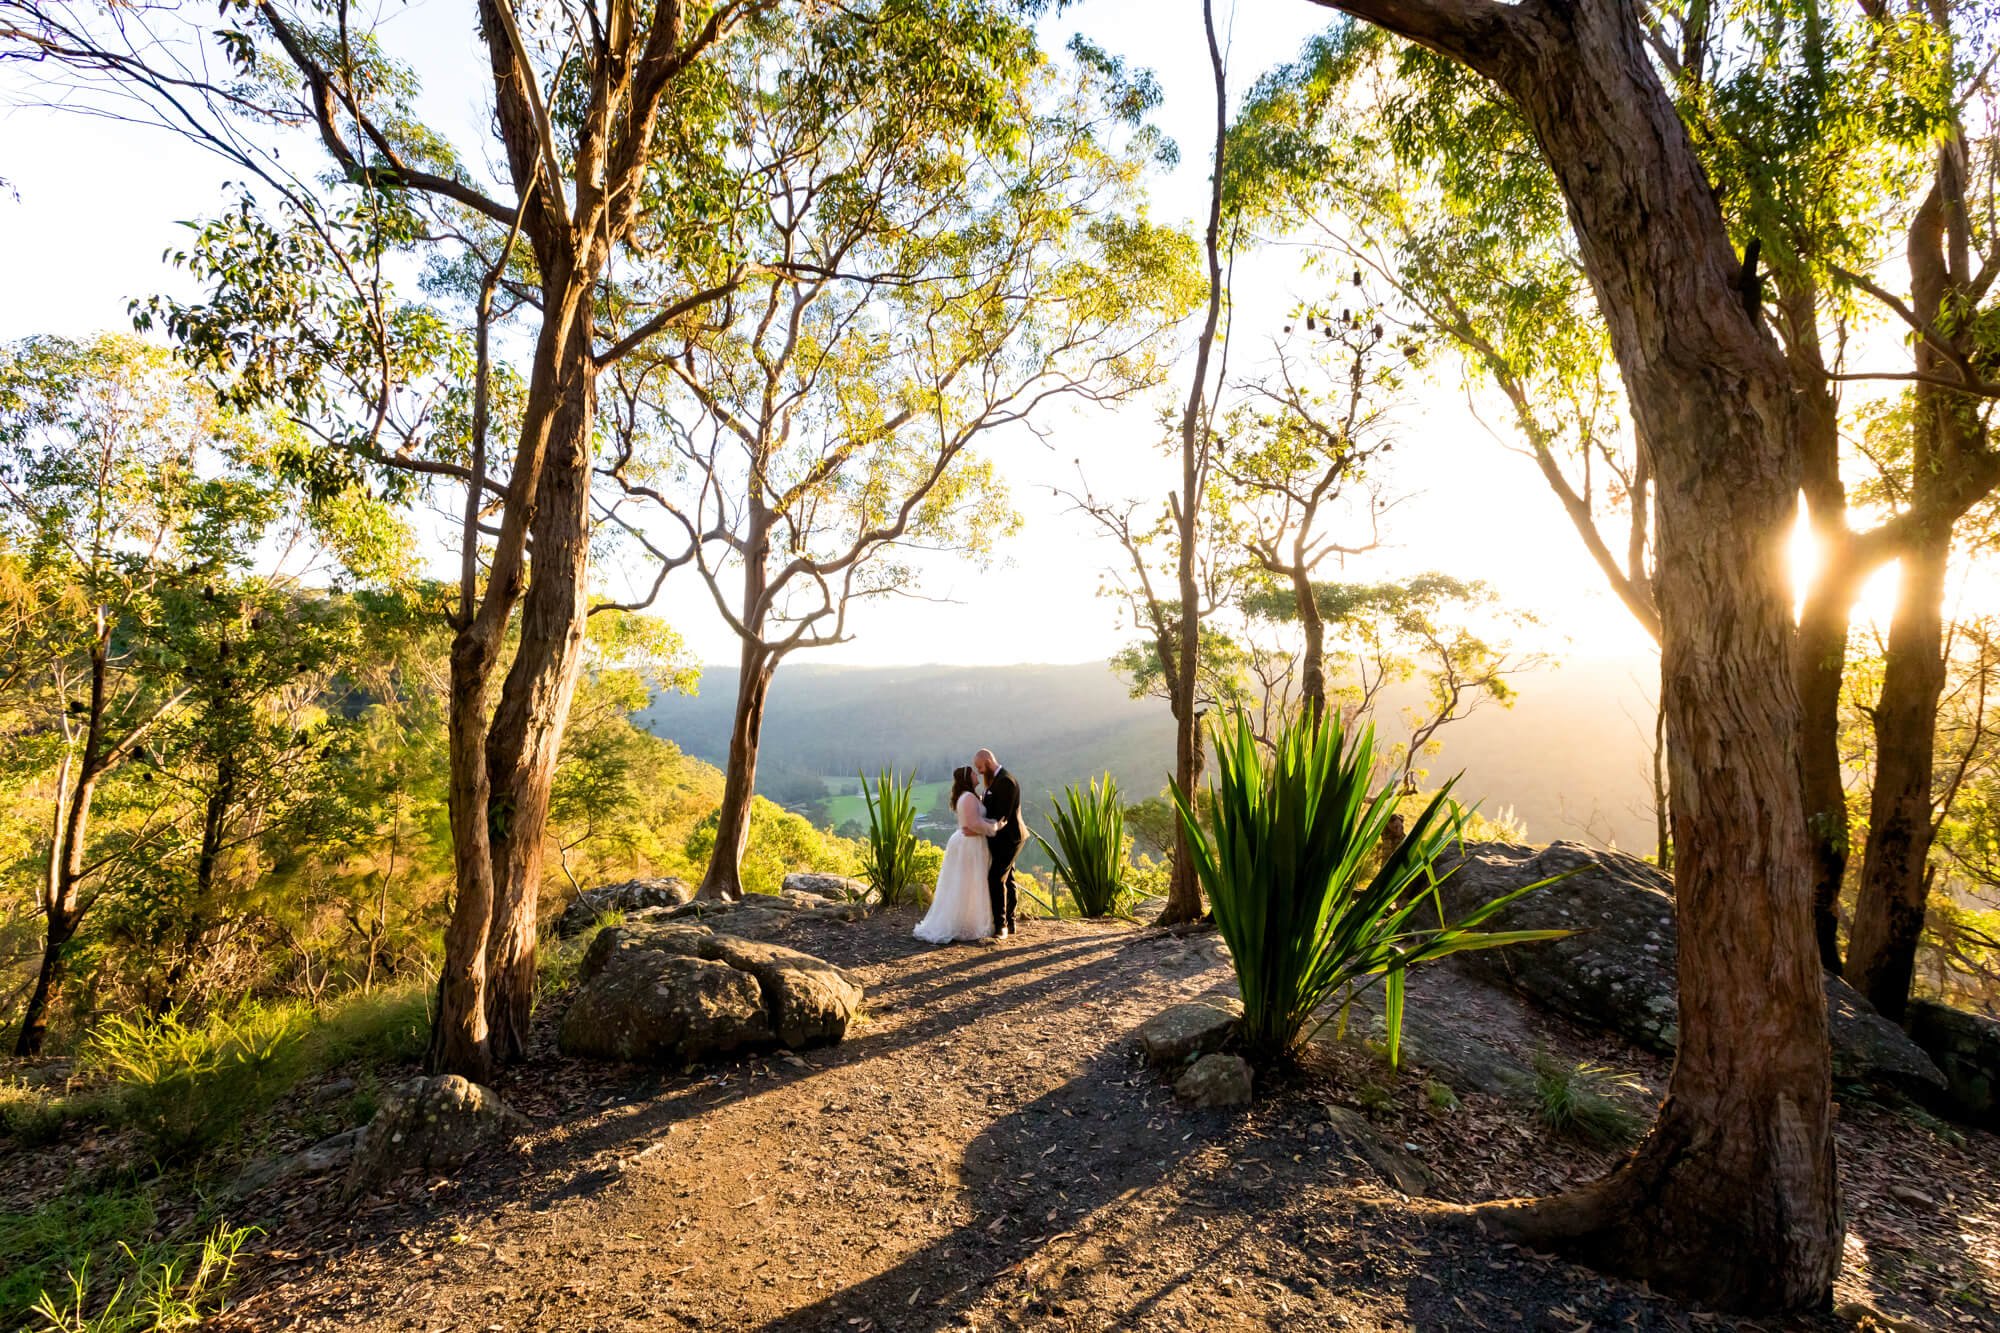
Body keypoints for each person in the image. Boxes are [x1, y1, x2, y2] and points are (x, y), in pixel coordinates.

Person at [912, 765, 1007, 944]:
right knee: (967, 882)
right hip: (969, 845)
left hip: (970, 842)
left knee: (969, 882)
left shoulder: (970, 796)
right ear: (967, 777)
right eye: (973, 772)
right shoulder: (969, 797)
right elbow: (973, 824)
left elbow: (973, 824)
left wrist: (982, 825)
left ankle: (968, 920)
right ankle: (964, 923)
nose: (976, 774)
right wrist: (995, 827)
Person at [974, 748, 1024, 939]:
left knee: (995, 878)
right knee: (1008, 879)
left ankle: (1000, 926)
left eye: (980, 767)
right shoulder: (994, 781)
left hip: (1009, 838)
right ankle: (1010, 923)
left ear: (987, 761)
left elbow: (1001, 816)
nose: (979, 771)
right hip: (1001, 838)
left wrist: (977, 825)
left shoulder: (1005, 781)